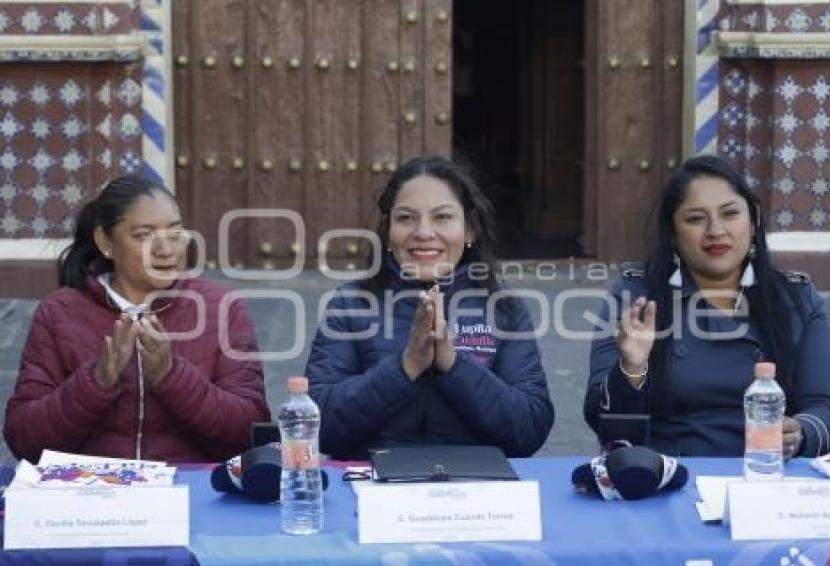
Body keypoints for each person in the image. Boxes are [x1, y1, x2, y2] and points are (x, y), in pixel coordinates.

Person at [585, 155, 830, 458]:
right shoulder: (637, 295)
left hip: (767, 470)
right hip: (670, 473)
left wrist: (801, 432)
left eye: (730, 213)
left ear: (753, 220)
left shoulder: (796, 298)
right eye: (696, 219)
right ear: (672, 234)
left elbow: (827, 408)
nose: (716, 230)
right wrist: (631, 370)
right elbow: (603, 422)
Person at [4, 175, 270, 463]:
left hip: (189, 484)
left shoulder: (221, 308)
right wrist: (96, 382)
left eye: (175, 233)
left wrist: (172, 376)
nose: (166, 250)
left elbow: (248, 433)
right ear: (105, 241)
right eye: (144, 235)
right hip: (92, 485)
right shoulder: (59, 312)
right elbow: (24, 441)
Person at [305, 156, 554, 460]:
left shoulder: (503, 307)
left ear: (469, 229)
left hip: (475, 486)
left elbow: (530, 429)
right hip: (370, 483)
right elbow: (316, 425)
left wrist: (453, 364)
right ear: (387, 230)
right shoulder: (350, 303)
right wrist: (406, 366)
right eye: (406, 218)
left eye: (442, 217)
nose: (423, 233)